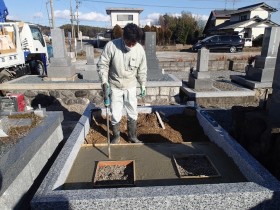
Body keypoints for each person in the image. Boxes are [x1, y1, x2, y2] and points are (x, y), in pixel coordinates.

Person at [97, 23, 147, 144]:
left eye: (133, 43)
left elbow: (142, 69)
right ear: (123, 37)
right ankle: (116, 136)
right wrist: (104, 81)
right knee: (116, 112)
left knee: (132, 112)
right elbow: (102, 65)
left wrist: (143, 84)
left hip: (130, 85)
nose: (130, 45)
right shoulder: (111, 46)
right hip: (115, 85)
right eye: (129, 42)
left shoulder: (139, 50)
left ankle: (132, 136)